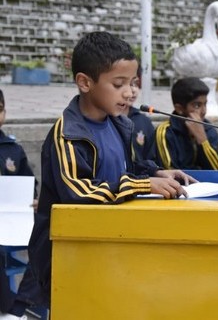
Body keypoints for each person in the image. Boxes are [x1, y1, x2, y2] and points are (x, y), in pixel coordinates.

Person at [27, 31, 196, 308]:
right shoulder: (68, 134)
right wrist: (142, 185)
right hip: (70, 257)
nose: (129, 92)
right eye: (118, 84)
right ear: (85, 82)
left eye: (132, 83)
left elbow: (122, 168)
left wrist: (154, 173)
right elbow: (79, 192)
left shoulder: (117, 123)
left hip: (109, 247)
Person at [0, 89, 39, 319]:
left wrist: (33, 201)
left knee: (47, 241)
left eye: (0, 110)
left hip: (13, 219)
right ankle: (5, 306)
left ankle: (18, 307)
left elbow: (30, 185)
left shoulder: (12, 149)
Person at [153, 77, 218, 170]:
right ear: (179, 109)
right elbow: (170, 171)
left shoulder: (209, 128)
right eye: (197, 105)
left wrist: (203, 140)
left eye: (205, 104)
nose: (204, 111)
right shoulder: (165, 132)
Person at [124, 72, 155, 162]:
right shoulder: (104, 120)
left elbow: (152, 159)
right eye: (129, 84)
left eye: (136, 84)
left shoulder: (144, 121)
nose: (133, 90)